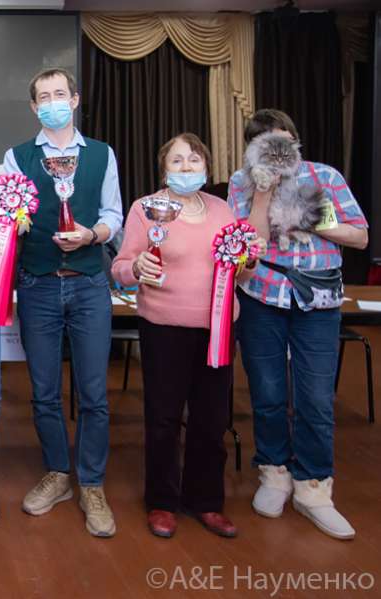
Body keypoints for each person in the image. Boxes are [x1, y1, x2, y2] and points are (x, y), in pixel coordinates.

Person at [112, 133, 264, 539]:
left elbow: (240, 274)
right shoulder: (146, 209)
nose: (186, 167)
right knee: (163, 418)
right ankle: (162, 501)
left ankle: (207, 501)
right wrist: (136, 267)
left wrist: (251, 260)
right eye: (177, 160)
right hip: (164, 328)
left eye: (194, 160)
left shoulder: (222, 209)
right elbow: (121, 267)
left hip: (218, 327)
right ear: (164, 170)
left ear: (206, 168)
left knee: (212, 418)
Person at [0, 67, 123, 538]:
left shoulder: (102, 154)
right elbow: (9, 216)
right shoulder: (17, 156)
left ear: (75, 99)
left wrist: (92, 234)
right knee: (43, 390)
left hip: (89, 284)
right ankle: (57, 473)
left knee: (94, 394)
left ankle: (91, 483)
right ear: (34, 107)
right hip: (38, 284)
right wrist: (12, 220)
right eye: (43, 97)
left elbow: (114, 214)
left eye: (59, 94)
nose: (52, 103)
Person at [228, 109, 368, 540]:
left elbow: (360, 235)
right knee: (268, 392)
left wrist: (314, 218)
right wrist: (264, 195)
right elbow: (246, 248)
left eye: (283, 140)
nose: (277, 150)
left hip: (318, 300)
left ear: (295, 140)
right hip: (262, 296)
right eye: (265, 143)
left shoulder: (325, 176)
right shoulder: (241, 183)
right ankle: (274, 473)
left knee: (316, 398)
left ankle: (314, 488)